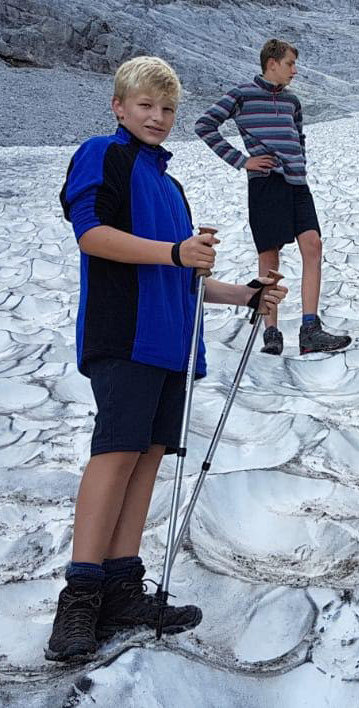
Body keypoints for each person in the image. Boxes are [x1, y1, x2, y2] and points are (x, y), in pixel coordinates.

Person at [47, 56, 288, 662]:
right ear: (119, 107)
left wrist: (244, 294)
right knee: (115, 453)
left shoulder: (171, 185)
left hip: (172, 343)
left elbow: (185, 274)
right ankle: (79, 596)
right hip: (124, 333)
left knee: (149, 458)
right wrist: (175, 253)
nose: (157, 117)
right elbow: (91, 234)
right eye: (146, 106)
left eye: (168, 109)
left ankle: (124, 586)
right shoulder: (104, 154)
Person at [195, 39, 351, 356]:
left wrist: (301, 166)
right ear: (272, 63)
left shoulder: (292, 101)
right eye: (290, 64)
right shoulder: (242, 94)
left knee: (313, 245)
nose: (294, 70)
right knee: (270, 257)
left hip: (296, 184)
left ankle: (310, 329)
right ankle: (272, 332)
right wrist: (242, 161)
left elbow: (299, 137)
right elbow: (205, 125)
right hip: (266, 184)